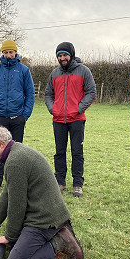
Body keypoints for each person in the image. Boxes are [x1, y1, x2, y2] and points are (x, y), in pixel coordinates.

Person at [0, 126, 84, 259]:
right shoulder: (16, 151)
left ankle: (58, 243)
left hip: (44, 220)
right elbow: (7, 194)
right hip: (46, 214)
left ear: (1, 144)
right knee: (15, 244)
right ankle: (54, 236)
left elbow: (17, 206)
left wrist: (9, 237)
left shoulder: (15, 162)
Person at [44, 42, 96, 197]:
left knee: (77, 152)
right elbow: (48, 94)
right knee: (59, 152)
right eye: (59, 55)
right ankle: (60, 182)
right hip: (58, 119)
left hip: (77, 119)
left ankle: (77, 184)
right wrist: (53, 109)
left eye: (65, 55)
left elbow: (91, 92)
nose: (62, 58)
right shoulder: (54, 73)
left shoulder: (84, 71)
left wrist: (78, 109)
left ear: (71, 55)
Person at [0, 39, 35, 196]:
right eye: (5, 52)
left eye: (10, 52)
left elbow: (30, 94)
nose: (8, 55)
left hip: (17, 118)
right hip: (0, 118)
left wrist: (24, 115)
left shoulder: (24, 71)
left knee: (16, 152)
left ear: (15, 53)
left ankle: (15, 182)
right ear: (2, 53)